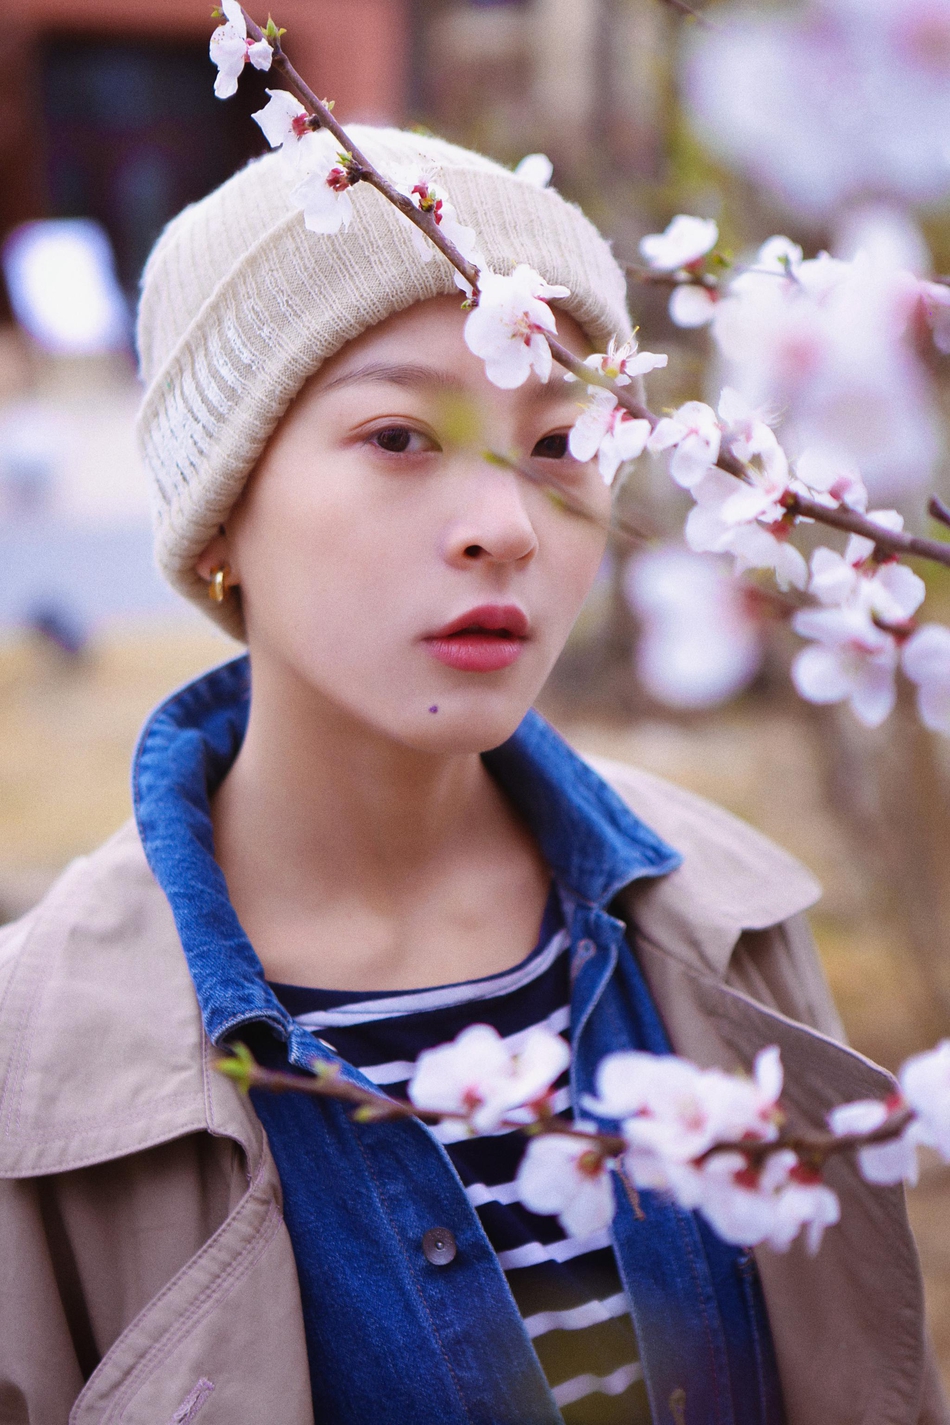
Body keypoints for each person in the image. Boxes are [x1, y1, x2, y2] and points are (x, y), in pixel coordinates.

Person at [0, 127, 944, 1425]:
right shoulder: (40, 1071)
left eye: (558, 442)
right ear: (220, 513)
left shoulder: (724, 928)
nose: (501, 523)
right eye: (399, 435)